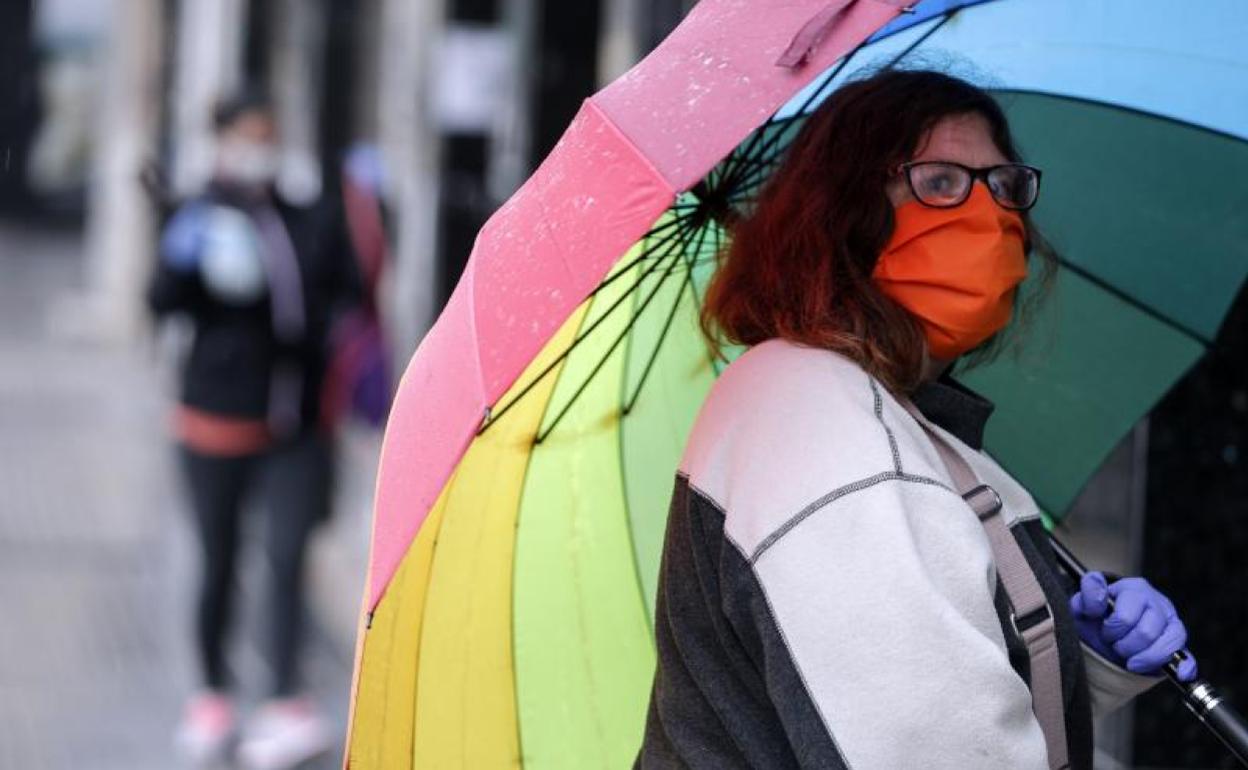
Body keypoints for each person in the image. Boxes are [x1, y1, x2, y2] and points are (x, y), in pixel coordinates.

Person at [635, 69, 1197, 770]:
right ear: (842, 213)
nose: (989, 215)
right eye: (939, 182)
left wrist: (1067, 649)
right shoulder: (820, 418)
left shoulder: (884, 411)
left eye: (1004, 184)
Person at [147, 92, 360, 769]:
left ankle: (283, 701)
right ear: (219, 140)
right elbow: (161, 301)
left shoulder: (301, 217)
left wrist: (362, 215)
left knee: (287, 560)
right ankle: (212, 694)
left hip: (293, 425)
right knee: (219, 559)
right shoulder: (197, 213)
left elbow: (341, 293)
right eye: (245, 137)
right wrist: (181, 255)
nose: (256, 149)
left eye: (266, 136)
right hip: (214, 419)